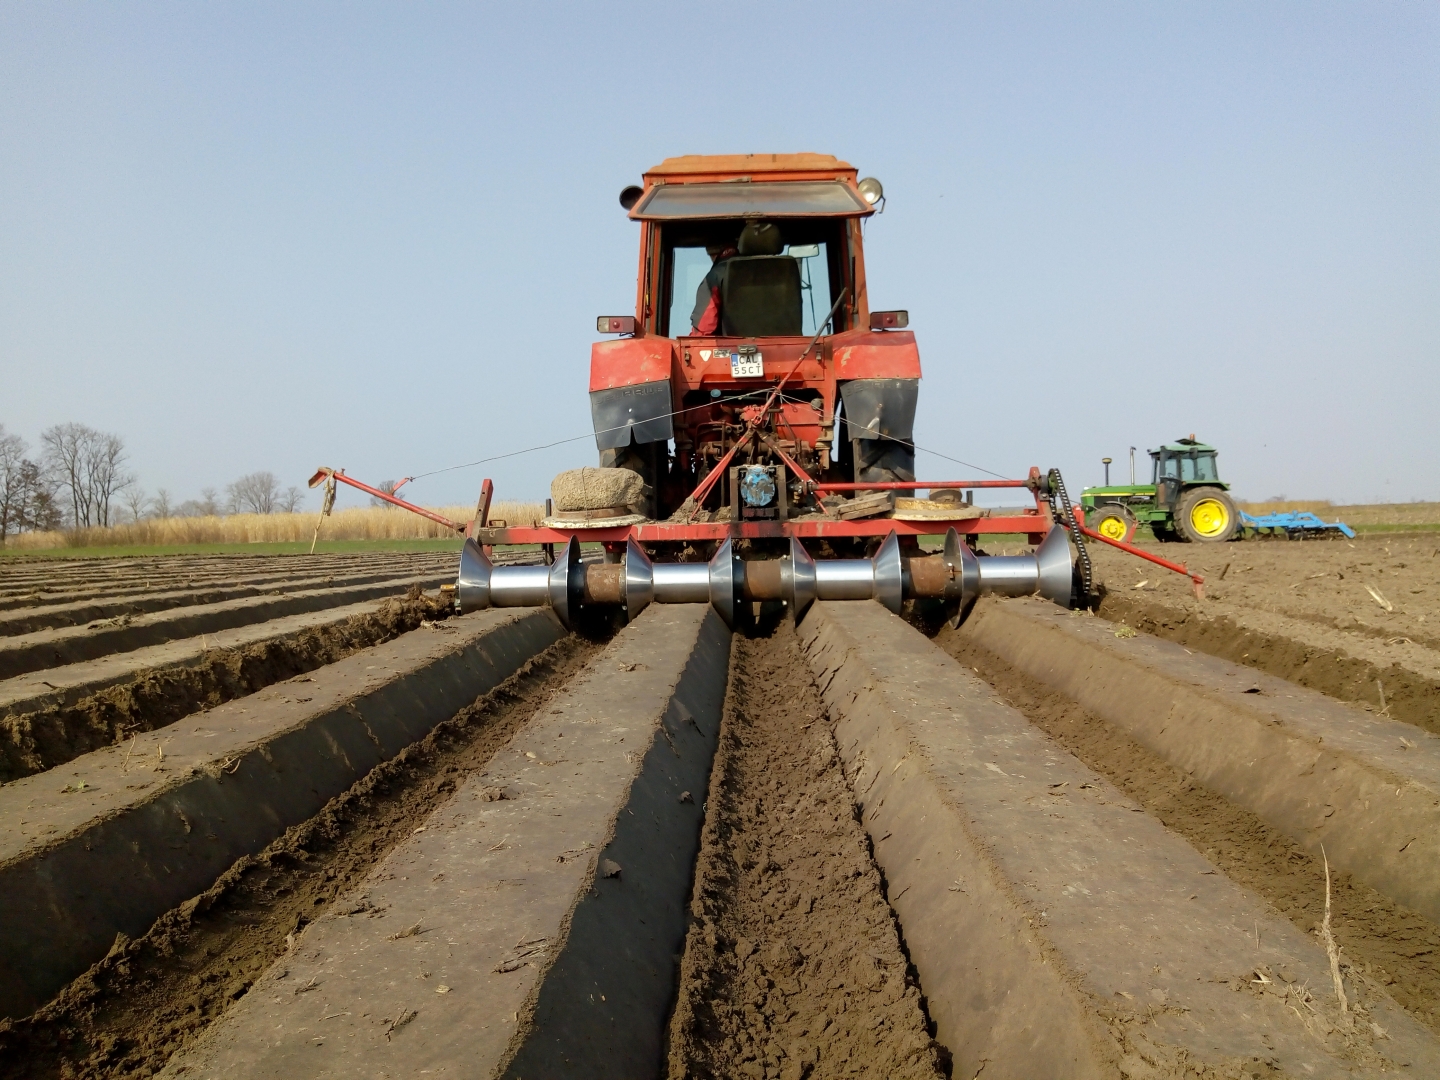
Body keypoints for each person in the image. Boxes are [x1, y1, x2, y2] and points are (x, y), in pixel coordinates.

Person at [689, 221, 784, 334]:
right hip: (788, 345)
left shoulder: (716, 276)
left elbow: (704, 328)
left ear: (714, 254)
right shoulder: (784, 273)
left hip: (734, 345)